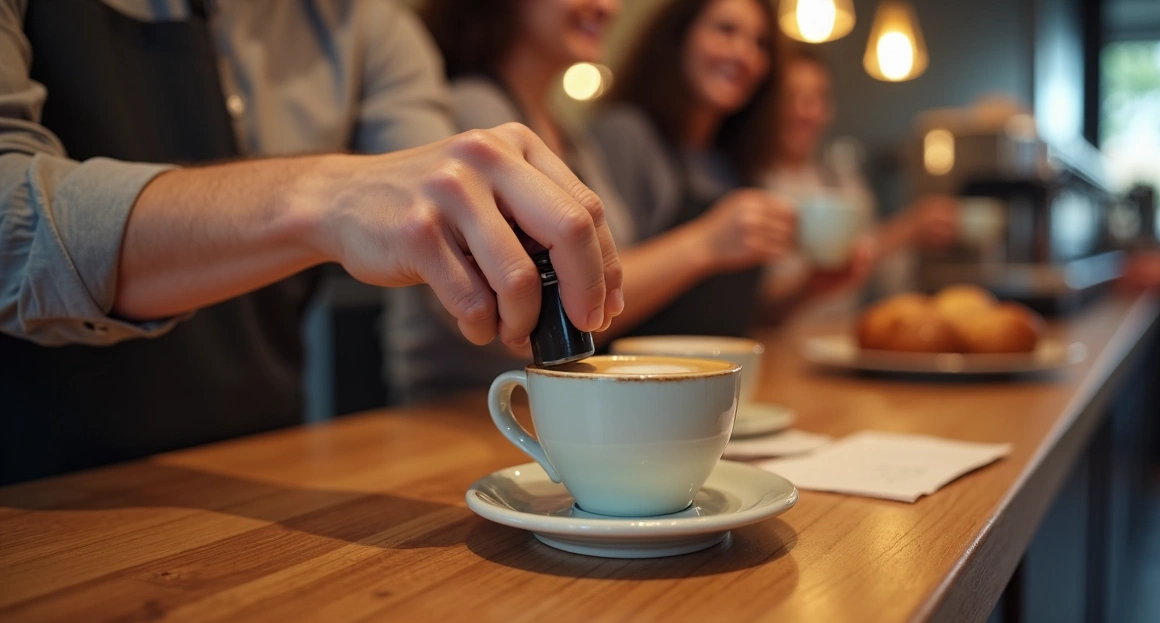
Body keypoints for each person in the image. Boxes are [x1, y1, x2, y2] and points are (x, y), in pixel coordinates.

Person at [0, 0, 621, 483]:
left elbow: (445, 220)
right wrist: (326, 194)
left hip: (267, 464)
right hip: (35, 487)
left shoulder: (369, 25)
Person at [385, 0, 639, 404]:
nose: (610, 7)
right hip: (468, 407)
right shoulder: (473, 111)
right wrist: (706, 246)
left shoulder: (569, 134)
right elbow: (527, 319)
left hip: (553, 400)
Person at [588, 0, 866, 339]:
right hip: (637, 387)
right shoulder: (627, 135)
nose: (744, 54)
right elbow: (588, 298)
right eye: (725, 30)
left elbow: (733, 315)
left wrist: (807, 289)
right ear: (679, 36)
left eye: (760, 43)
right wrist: (706, 242)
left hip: (720, 385)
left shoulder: (732, 162)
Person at [762, 45, 959, 320]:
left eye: (818, 98)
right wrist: (905, 229)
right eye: (790, 97)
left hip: (839, 338)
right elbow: (752, 304)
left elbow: (881, 275)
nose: (806, 113)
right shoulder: (748, 183)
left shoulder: (845, 182)